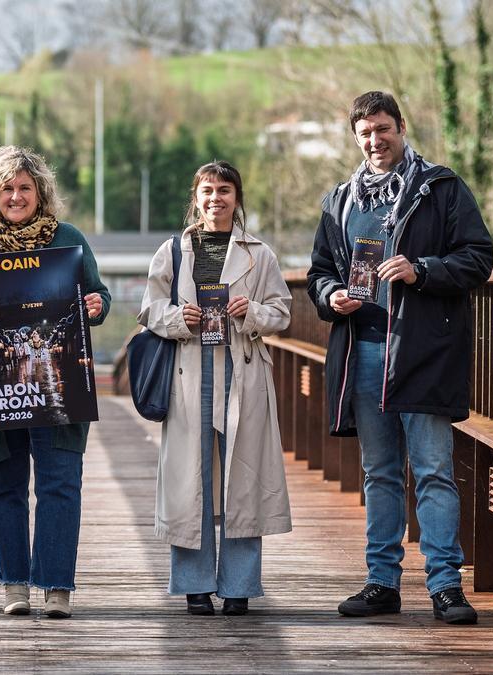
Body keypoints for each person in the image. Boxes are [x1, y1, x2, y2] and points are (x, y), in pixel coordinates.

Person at [307, 91, 493, 625]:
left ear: (402, 127)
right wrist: (329, 297)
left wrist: (423, 270)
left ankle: (446, 587)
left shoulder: (440, 187)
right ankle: (381, 583)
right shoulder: (340, 200)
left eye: (383, 129)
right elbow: (320, 270)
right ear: (356, 137)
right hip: (362, 352)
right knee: (380, 472)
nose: (375, 140)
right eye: (365, 133)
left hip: (422, 352)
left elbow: (478, 257)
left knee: (434, 470)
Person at [0, 146, 110, 619]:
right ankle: (14, 585)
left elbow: (96, 293)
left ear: (41, 192)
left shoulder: (68, 240)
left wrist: (97, 305)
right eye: (6, 190)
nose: (15, 197)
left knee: (60, 485)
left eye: (24, 188)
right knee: (2, 485)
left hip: (60, 386)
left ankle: (56, 587)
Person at [138, 161, 293, 617]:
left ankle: (240, 585)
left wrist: (253, 312)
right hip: (190, 374)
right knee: (192, 481)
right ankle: (194, 585)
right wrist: (176, 319)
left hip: (243, 372)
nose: (215, 199)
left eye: (224, 190)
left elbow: (282, 312)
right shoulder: (172, 251)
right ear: (196, 196)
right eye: (207, 190)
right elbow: (148, 310)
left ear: (237, 198)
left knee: (243, 479)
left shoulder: (259, 254)